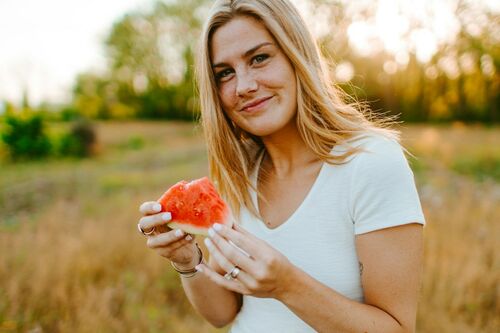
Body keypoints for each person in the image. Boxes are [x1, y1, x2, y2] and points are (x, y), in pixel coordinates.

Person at [138, 0, 426, 332]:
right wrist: (187, 261)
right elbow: (223, 313)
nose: (243, 86)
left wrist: (287, 285)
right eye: (225, 73)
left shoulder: (372, 163)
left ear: (296, 55)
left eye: (259, 58)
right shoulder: (240, 172)